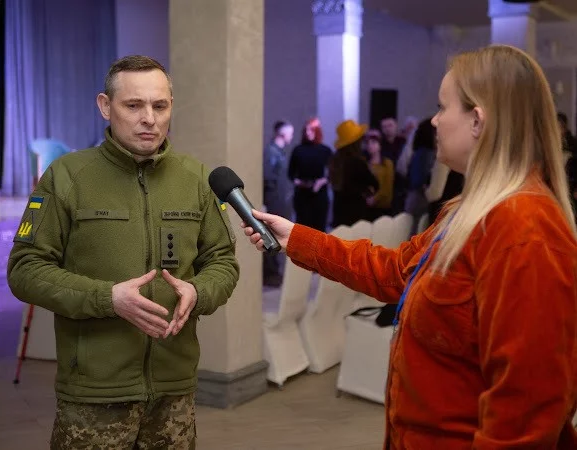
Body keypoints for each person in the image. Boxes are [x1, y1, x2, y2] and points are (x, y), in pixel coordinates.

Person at [242, 45, 577, 448]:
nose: (434, 120)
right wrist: (295, 237)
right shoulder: (468, 211)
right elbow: (396, 272)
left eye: (442, 107)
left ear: (477, 121)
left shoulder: (525, 230)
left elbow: (524, 418)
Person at [7, 55, 240, 449]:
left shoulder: (197, 179)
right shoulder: (66, 176)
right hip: (93, 394)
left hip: (174, 391)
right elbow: (25, 270)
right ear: (105, 106)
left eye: (160, 106)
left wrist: (199, 291)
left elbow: (223, 262)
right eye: (134, 105)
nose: (149, 118)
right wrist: (107, 298)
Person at [329, 119, 380, 227]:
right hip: (356, 215)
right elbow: (375, 184)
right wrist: (367, 192)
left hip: (339, 214)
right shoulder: (357, 162)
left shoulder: (335, 161)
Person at [263, 119, 294, 286]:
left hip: (280, 201)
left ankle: (274, 271)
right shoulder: (271, 153)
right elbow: (268, 177)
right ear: (282, 133)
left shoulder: (280, 152)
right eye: (290, 133)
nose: (292, 136)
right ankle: (271, 273)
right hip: (274, 201)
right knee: (271, 236)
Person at [287, 117, 333, 232]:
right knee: (303, 229)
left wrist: (322, 181)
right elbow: (291, 173)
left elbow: (334, 173)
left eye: (311, 130)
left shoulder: (325, 150)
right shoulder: (298, 150)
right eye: (306, 130)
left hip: (319, 195)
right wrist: (299, 182)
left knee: (319, 229)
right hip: (302, 195)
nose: (308, 133)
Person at [364, 129, 394, 220]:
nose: (370, 146)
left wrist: (375, 199)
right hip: (367, 206)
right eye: (368, 143)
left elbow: (387, 186)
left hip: (383, 206)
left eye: (373, 142)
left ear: (380, 145)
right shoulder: (365, 164)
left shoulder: (387, 163)